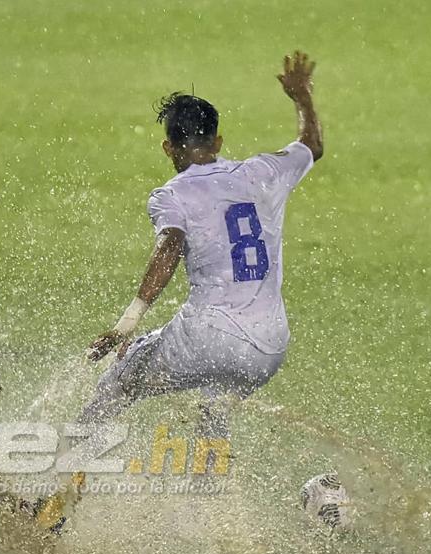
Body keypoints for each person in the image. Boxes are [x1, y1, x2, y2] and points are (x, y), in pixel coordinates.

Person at [75, 51, 323, 484]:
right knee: (215, 399)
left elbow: (171, 245)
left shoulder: (170, 195)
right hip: (270, 346)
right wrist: (302, 97)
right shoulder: (261, 172)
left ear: (168, 147)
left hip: (208, 337)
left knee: (119, 383)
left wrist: (128, 322)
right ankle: (213, 506)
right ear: (219, 141)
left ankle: (53, 485)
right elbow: (312, 147)